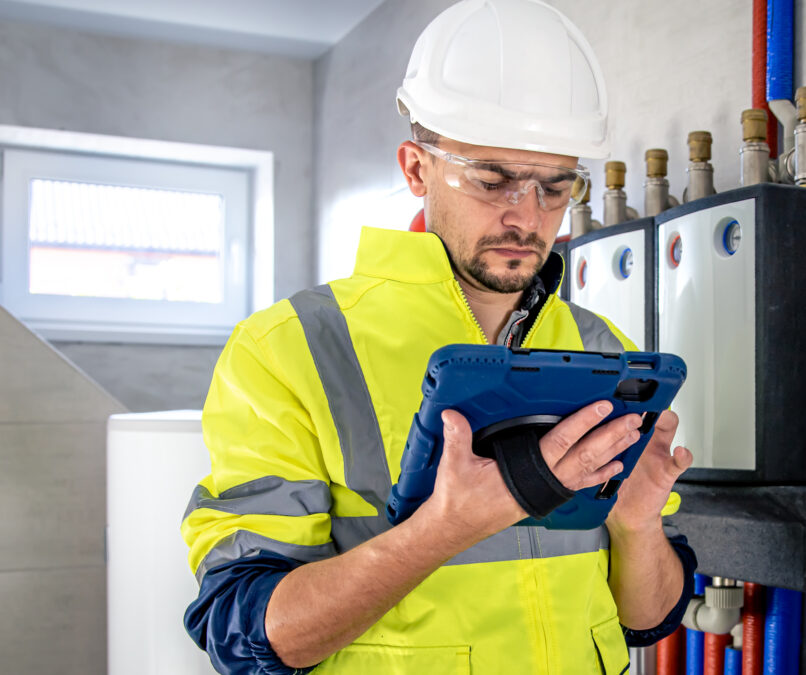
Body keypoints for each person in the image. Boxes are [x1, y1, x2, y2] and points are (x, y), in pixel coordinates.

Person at [181, 1, 697, 672]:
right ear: (417, 169)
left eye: (554, 186)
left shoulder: (603, 347)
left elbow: (647, 618)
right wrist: (443, 529)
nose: (526, 216)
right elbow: (246, 633)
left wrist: (636, 526)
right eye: (493, 178)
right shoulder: (291, 347)